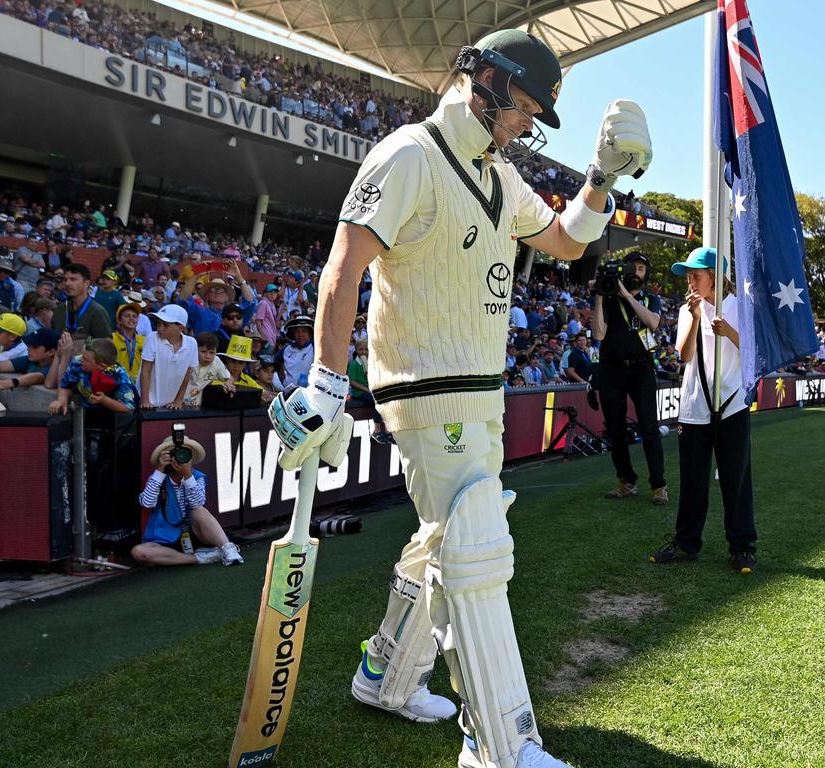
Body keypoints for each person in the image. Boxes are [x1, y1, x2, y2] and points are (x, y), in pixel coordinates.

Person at [267, 28, 650, 768]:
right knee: (476, 544)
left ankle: (385, 675)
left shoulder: (499, 176)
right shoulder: (410, 153)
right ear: (490, 83)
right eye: (524, 109)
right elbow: (342, 269)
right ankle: (500, 745)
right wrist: (324, 381)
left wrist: (599, 179)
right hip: (424, 388)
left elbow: (567, 242)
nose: (526, 126)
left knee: (446, 539)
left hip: (479, 391)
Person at [649, 247, 756, 574]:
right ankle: (685, 543)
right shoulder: (687, 311)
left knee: (736, 478)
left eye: (697, 275)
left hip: (733, 404)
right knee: (693, 478)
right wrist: (696, 319)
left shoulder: (741, 308)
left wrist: (730, 332)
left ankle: (742, 548)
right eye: (689, 276)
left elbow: (754, 353)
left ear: (715, 278)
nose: (690, 282)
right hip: (695, 406)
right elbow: (684, 354)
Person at [591, 252, 667, 503]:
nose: (636, 271)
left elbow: (653, 323)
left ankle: (659, 485)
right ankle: (626, 480)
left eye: (642, 268)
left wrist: (626, 295)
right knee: (615, 428)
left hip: (641, 368)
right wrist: (600, 297)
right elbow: (599, 335)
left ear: (646, 274)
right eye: (632, 266)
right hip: (612, 369)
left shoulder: (650, 299)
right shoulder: (609, 298)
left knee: (649, 426)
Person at [131, 435, 243, 566]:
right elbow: (146, 502)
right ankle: (201, 558)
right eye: (174, 454)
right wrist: (160, 470)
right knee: (139, 552)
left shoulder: (197, 477)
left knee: (199, 511)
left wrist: (188, 474)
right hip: (166, 539)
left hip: (195, 534)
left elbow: (198, 503)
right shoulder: (159, 478)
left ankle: (228, 549)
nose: (178, 459)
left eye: (182, 454)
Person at [47, 337, 139, 415]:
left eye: (86, 359)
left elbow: (129, 408)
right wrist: (61, 400)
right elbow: (66, 384)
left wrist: (104, 400)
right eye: (82, 355)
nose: (81, 359)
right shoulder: (77, 362)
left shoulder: (119, 375)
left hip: (114, 417)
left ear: (101, 366)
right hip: (86, 412)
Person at [140, 304, 198, 410]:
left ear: (180, 327)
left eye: (165, 325)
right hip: (148, 403)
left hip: (171, 404)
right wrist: (145, 401)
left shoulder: (192, 343)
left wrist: (178, 401)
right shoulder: (152, 337)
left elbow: (187, 374)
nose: (159, 328)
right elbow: (145, 371)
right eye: (158, 323)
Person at [0, 327, 59, 395]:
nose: (28, 348)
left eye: (34, 346)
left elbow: (37, 377)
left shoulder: (56, 365)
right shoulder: (30, 359)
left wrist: (6, 383)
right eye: (28, 344)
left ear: (51, 352)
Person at [51, 263, 113, 342]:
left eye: (73, 279)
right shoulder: (59, 310)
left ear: (86, 283)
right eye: (65, 279)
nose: (67, 283)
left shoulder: (97, 311)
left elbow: (107, 345)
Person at [183, 331, 233, 407]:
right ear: (195, 350)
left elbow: (228, 377)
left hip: (197, 406)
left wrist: (229, 383)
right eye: (203, 351)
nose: (207, 356)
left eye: (212, 352)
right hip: (177, 402)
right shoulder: (188, 358)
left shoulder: (216, 361)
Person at [112, 302, 146, 382]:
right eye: (127, 316)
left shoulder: (144, 340)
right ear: (119, 320)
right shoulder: (112, 339)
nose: (131, 318)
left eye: (135, 316)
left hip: (138, 384)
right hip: (118, 383)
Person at [278, 314, 314, 388]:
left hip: (309, 392)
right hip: (289, 390)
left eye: (304, 331)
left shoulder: (315, 348)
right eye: (297, 331)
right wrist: (283, 380)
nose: (300, 335)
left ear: (310, 334)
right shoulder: (286, 349)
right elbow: (276, 362)